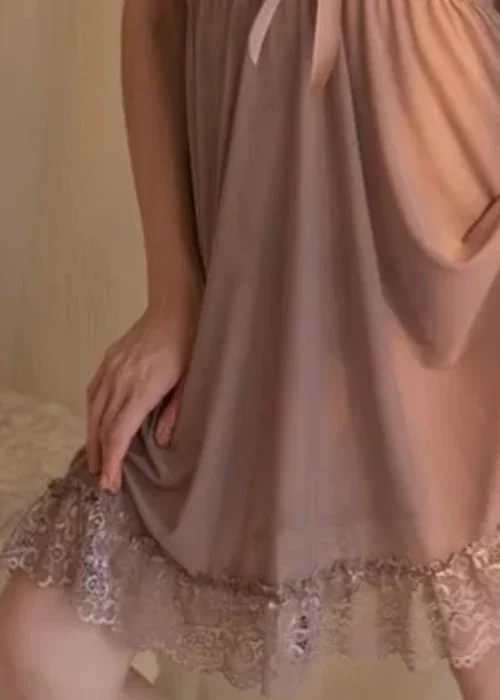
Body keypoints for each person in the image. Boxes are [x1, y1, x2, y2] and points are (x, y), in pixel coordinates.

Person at [1, 0, 500, 698]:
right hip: (253, 279)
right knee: (38, 656)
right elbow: (153, 18)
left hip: (446, 252)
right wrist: (173, 295)